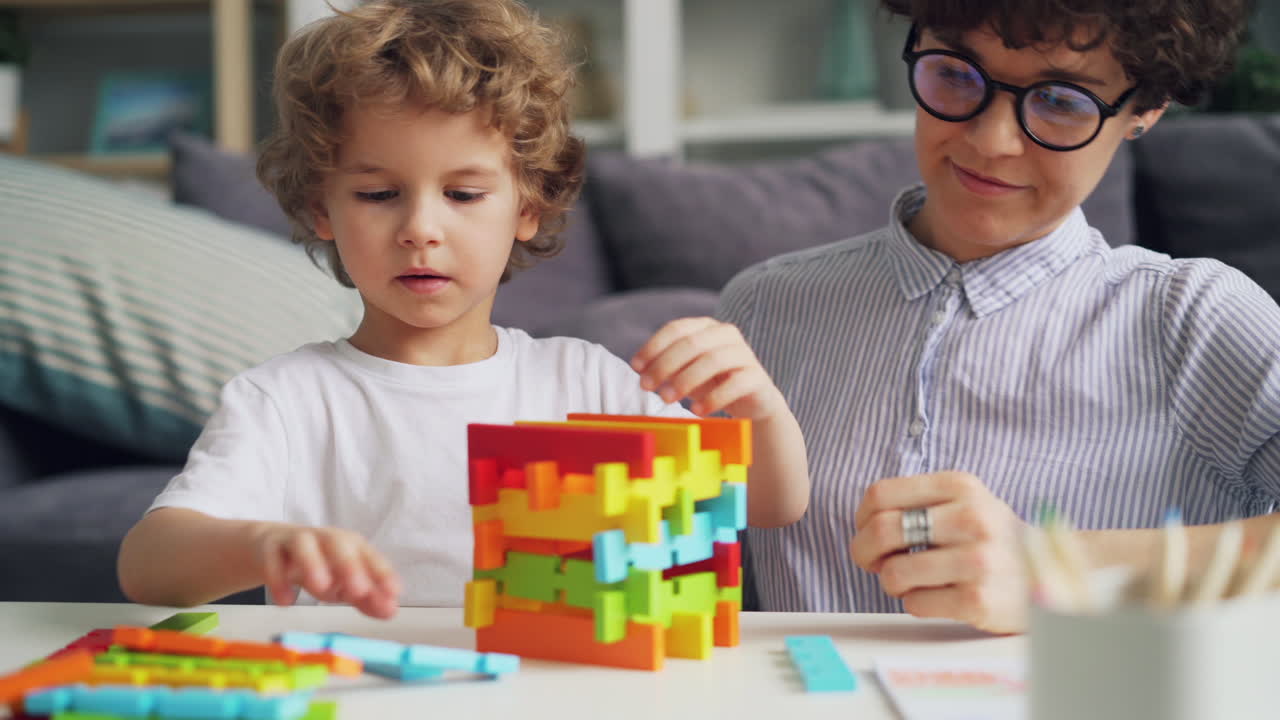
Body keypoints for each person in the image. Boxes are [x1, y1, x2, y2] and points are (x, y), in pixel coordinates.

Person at [118, 0, 809, 620]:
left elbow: (772, 504)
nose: (421, 228)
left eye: (464, 194)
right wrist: (265, 542)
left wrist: (760, 409)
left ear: (528, 207)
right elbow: (148, 566)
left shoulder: (588, 382)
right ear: (320, 208)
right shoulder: (287, 401)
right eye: (378, 195)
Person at [719, 0, 1279, 633]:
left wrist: (1064, 565)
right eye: (956, 74)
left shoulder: (1194, 320)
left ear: (1145, 109)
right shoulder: (764, 307)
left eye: (1063, 101)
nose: (990, 141)